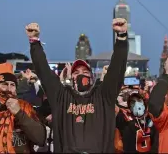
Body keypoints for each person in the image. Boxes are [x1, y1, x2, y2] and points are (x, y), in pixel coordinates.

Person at [26, 18, 128, 153]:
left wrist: (121, 38)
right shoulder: (61, 97)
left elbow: (117, 69)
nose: (81, 75)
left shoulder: (104, 96)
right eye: (76, 72)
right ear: (70, 77)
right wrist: (34, 42)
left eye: (85, 72)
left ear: (92, 78)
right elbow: (43, 71)